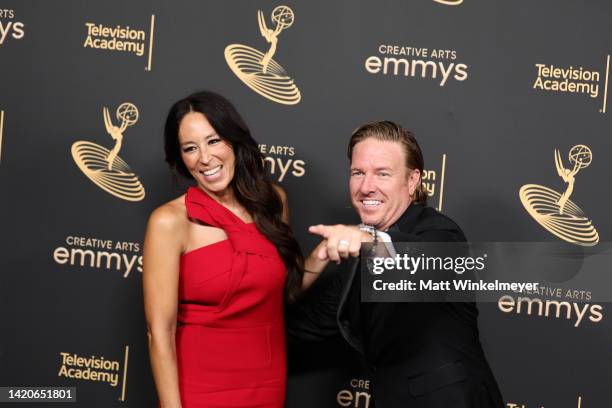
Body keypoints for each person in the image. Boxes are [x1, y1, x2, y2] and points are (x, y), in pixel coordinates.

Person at [289, 121, 504, 407]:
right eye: (358, 173)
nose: (366, 187)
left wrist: (367, 239)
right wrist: (317, 258)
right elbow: (308, 324)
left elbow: (415, 258)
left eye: (382, 173)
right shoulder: (355, 260)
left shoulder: (440, 233)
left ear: (412, 181)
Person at [143, 91, 304, 408]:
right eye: (191, 148)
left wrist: (324, 255)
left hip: (266, 384)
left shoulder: (273, 201)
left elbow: (282, 292)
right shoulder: (169, 222)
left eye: (213, 141)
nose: (204, 158)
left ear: (233, 141)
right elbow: (159, 332)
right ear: (181, 159)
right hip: (199, 390)